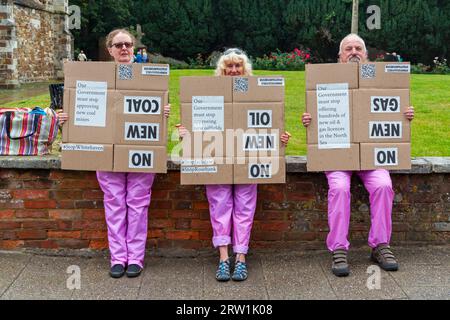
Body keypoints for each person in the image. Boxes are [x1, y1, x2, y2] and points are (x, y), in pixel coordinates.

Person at [59, 29, 171, 279]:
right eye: (118, 44)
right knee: (115, 205)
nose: (124, 48)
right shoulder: (95, 78)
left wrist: (163, 112)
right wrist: (67, 117)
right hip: (106, 153)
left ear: (134, 48)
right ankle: (118, 257)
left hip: (140, 150)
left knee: (138, 205)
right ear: (109, 49)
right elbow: (82, 109)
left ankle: (136, 258)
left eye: (128, 44)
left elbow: (158, 111)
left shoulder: (150, 78)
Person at [302, 34, 415, 277]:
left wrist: (404, 114)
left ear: (366, 54)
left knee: (384, 185)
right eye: (348, 49)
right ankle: (339, 248)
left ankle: (380, 245)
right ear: (340, 57)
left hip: (371, 157)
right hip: (338, 156)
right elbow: (316, 114)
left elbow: (392, 107)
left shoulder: (381, 81)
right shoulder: (327, 80)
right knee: (340, 188)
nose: (353, 52)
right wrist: (309, 120)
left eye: (358, 48)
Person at [177, 48, 291, 282]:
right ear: (222, 69)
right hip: (215, 158)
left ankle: (240, 258)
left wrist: (280, 138)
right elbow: (195, 125)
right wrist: (184, 133)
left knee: (245, 208)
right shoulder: (207, 94)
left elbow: (269, 125)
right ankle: (223, 258)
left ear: (244, 69)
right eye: (229, 66)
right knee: (219, 207)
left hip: (248, 159)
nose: (233, 70)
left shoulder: (257, 95)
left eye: (237, 66)